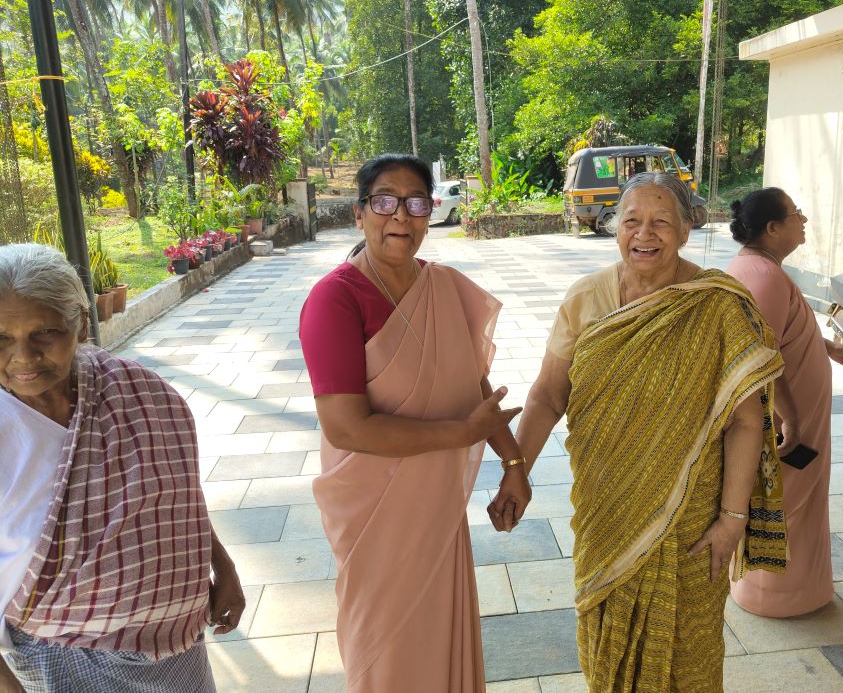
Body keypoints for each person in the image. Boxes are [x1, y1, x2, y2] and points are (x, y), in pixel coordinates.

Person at [505, 172, 788, 691]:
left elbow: (746, 422)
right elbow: (548, 396)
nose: (645, 233)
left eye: (662, 221)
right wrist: (514, 469)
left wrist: (731, 520)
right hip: (606, 505)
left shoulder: (719, 305)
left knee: (691, 650)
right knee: (608, 638)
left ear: (686, 229)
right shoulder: (586, 298)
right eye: (631, 220)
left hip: (693, 520)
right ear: (614, 229)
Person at [299, 154, 530, 693]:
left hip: (436, 510)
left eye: (416, 202)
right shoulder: (335, 300)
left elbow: (474, 386)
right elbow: (347, 429)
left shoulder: (444, 287)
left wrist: (513, 462)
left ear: (431, 212)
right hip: (376, 518)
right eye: (384, 201)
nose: (400, 215)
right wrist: (461, 435)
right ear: (359, 214)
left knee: (438, 640)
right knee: (385, 650)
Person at [0, 243, 245, 693]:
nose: (24, 357)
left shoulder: (139, 391)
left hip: (177, 650)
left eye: (45, 332)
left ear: (80, 323)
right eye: (1, 338)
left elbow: (176, 494)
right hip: (57, 657)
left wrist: (222, 566)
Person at [725, 188, 843, 617]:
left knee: (794, 500)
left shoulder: (756, 268)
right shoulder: (763, 275)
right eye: (795, 214)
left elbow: (778, 332)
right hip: (785, 422)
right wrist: (789, 417)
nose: (803, 220)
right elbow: (760, 355)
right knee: (787, 504)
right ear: (773, 228)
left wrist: (829, 349)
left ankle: (786, 590)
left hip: (793, 414)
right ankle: (780, 597)